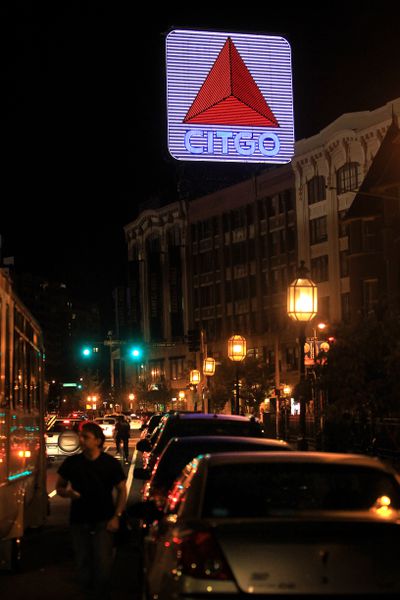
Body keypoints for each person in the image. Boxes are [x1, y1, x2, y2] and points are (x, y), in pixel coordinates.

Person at [56, 421, 127, 599]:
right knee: (82, 564)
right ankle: (86, 591)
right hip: (79, 519)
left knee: (103, 564)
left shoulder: (109, 464)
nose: (81, 440)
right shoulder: (72, 462)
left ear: (98, 440)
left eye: (85, 437)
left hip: (104, 518)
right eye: (81, 437)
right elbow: (60, 487)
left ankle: (101, 593)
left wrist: (117, 516)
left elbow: (122, 490)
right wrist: (68, 493)